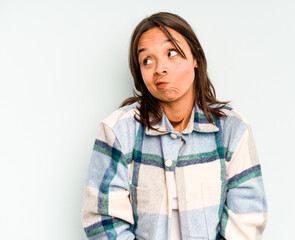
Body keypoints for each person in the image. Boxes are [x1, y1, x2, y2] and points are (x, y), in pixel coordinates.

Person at [81, 12, 267, 240]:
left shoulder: (233, 129)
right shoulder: (118, 131)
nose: (159, 68)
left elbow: (246, 221)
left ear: (195, 57)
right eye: (147, 60)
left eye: (171, 53)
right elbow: (103, 221)